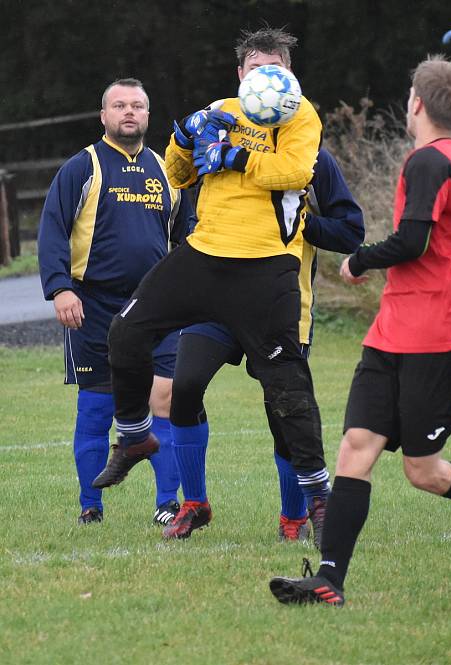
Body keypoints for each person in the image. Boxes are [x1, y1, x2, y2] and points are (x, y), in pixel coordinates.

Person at [269, 56, 451, 607]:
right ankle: (329, 579)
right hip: (391, 332)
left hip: (437, 337)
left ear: (415, 103)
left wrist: (360, 259)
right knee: (355, 447)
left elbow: (415, 241)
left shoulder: (431, 164)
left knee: (423, 472)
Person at [90, 27, 331, 541]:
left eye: (277, 70)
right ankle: (134, 438)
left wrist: (237, 157)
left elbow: (293, 171)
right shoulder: (222, 107)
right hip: (204, 256)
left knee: (287, 391)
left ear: (289, 76)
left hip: (266, 267)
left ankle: (316, 496)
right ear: (241, 74)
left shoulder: (301, 114)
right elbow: (178, 174)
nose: (266, 79)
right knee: (126, 333)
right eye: (257, 69)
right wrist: (184, 135)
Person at [167, 146, 364, 544]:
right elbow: (189, 211)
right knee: (185, 387)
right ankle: (194, 504)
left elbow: (350, 232)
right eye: (247, 76)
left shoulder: (312, 158)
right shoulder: (218, 147)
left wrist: (296, 221)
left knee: (284, 412)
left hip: (280, 307)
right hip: (214, 303)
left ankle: (293, 518)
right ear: (240, 80)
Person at [38, 78, 193, 526]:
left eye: (138, 106)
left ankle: (167, 503)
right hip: (93, 307)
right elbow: (52, 230)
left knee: (163, 400)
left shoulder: (169, 171)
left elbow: (186, 237)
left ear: (148, 115)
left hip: (156, 307)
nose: (130, 112)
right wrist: (60, 287)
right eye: (120, 105)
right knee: (97, 409)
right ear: (103, 115)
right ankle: (92, 507)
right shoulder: (80, 167)